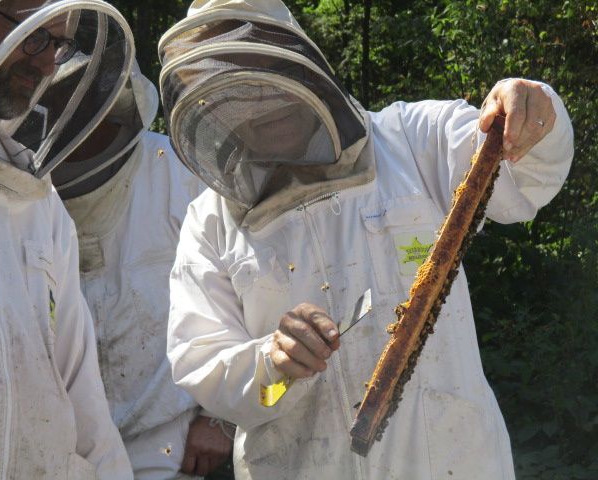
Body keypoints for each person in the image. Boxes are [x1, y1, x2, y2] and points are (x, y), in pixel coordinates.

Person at [158, 1, 575, 479]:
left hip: (452, 462)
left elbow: (528, 182)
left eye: (267, 73)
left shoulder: (415, 140)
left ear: (299, 58)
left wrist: (533, 110)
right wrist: (273, 364)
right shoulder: (209, 222)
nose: (261, 103)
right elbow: (206, 367)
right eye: (238, 91)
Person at [0, 0, 135, 477]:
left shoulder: (38, 200)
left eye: (57, 43)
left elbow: (80, 389)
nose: (44, 63)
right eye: (32, 34)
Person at [50, 61, 234, 479]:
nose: (72, 114)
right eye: (59, 98)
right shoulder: (22, 195)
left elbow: (249, 287)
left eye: (82, 98)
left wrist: (222, 417)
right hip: (66, 451)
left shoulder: (179, 172)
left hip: (182, 443)